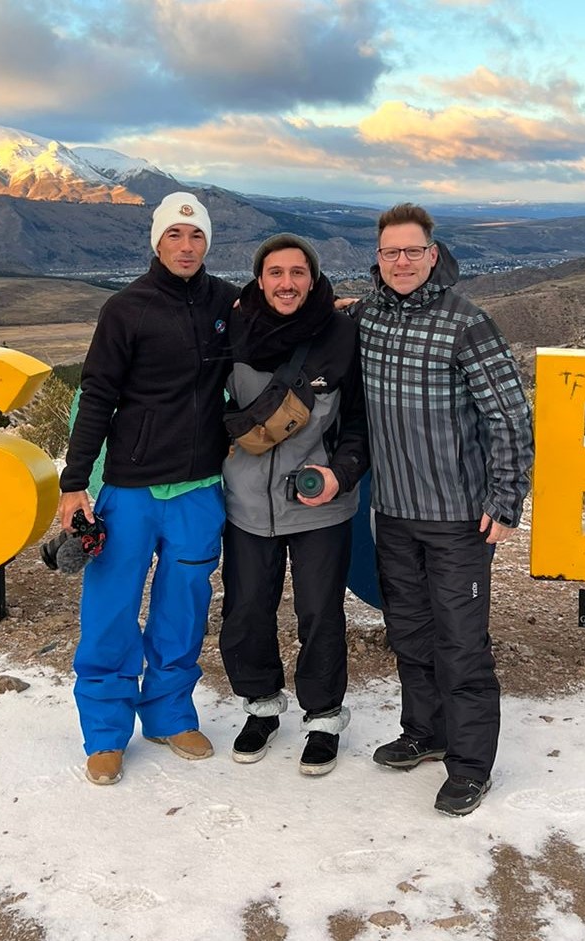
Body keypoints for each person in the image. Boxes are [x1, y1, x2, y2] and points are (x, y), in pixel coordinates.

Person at [354, 203, 534, 815]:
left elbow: (510, 416)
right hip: (394, 512)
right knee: (408, 632)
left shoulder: (467, 323)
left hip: (458, 516)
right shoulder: (369, 316)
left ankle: (471, 764)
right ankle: (425, 732)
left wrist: (506, 500)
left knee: (461, 642)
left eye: (412, 251)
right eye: (390, 252)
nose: (401, 262)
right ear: (377, 259)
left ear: (434, 255)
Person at [57, 192, 238, 786]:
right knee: (110, 610)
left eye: (196, 237)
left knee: (182, 610)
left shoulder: (227, 303)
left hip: (199, 489)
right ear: (157, 242)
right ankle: (106, 732)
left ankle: (168, 715)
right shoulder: (125, 309)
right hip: (130, 490)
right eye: (174, 236)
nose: (186, 247)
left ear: (207, 242)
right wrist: (75, 483)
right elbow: (98, 396)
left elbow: (285, 326)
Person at [218, 233, 368, 776]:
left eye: (298, 273)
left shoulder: (340, 334)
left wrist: (342, 473)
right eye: (276, 273)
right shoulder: (231, 328)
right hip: (247, 502)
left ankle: (324, 716)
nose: (287, 283)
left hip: (320, 503)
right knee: (247, 608)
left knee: (319, 611)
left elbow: (358, 422)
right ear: (259, 279)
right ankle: (260, 706)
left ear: (314, 278)